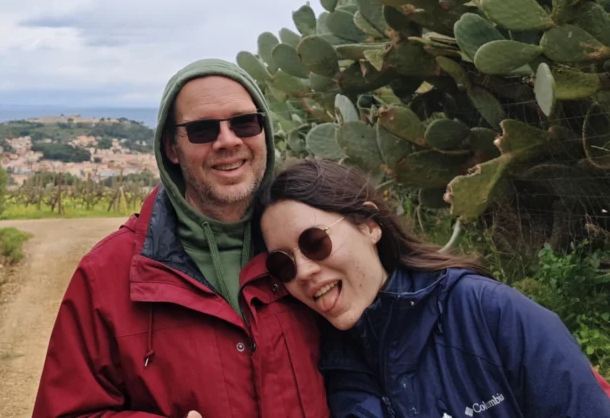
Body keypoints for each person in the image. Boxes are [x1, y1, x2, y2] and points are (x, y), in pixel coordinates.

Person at [31, 59, 329, 418]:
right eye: (203, 130)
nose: (228, 141)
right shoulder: (105, 275)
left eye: (245, 123)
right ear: (171, 148)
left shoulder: (316, 247)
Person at [260, 157, 610, 418]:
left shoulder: (489, 313)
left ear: (368, 226)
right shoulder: (329, 370)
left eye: (314, 242)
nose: (303, 271)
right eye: (283, 265)